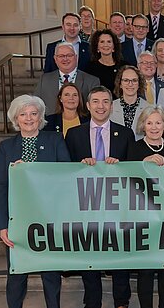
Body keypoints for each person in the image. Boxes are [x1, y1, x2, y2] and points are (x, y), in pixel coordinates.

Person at [0, 95, 70, 308]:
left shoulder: (54, 140)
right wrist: (2, 225)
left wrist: (35, 171)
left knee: (51, 273)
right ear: (16, 119)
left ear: (40, 117)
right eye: (23, 114)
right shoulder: (6, 147)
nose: (29, 118)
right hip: (17, 219)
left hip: (49, 217)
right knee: (17, 274)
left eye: (33, 114)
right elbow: (0, 187)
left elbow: (66, 175)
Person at [65, 86, 135, 308]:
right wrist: (80, 166)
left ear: (111, 106)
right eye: (96, 101)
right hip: (87, 205)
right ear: (87, 105)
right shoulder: (74, 134)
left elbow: (133, 170)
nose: (101, 106)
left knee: (119, 253)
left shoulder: (125, 133)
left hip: (118, 204)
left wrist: (120, 166)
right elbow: (65, 171)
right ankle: (92, 300)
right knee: (91, 253)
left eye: (105, 101)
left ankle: (121, 301)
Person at [127, 105, 164, 308]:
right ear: (143, 125)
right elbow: (127, 180)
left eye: (158, 122)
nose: (154, 127)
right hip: (144, 218)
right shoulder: (134, 148)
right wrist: (144, 163)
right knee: (146, 269)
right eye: (149, 123)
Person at [34, 42, 100, 114]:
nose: (65, 59)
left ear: (76, 57)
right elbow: (36, 105)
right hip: (51, 123)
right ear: (55, 59)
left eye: (69, 55)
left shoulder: (92, 81)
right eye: (61, 56)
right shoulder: (44, 80)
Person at [110, 65, 150, 140]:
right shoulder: (110, 107)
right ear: (120, 84)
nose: (130, 84)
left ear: (139, 84)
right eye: (126, 80)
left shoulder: (148, 108)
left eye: (134, 80)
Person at [85, 29, 128, 95]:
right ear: (97, 47)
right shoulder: (89, 68)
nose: (106, 45)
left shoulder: (124, 66)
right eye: (102, 42)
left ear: (114, 46)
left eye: (109, 42)